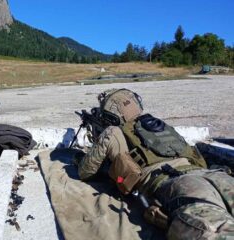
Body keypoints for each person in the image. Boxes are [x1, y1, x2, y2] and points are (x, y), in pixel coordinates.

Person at [74, 88, 234, 239]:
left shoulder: (113, 132)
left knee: (216, 233)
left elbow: (85, 171)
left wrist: (82, 156)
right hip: (215, 175)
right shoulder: (161, 126)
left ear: (110, 115)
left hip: (177, 183)